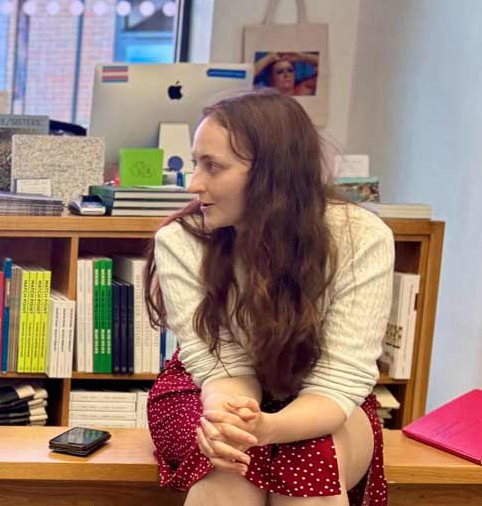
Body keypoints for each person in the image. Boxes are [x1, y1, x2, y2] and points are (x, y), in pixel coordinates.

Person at [144, 90, 393, 506]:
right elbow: (219, 364)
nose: (194, 184)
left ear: (272, 175)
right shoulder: (181, 242)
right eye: (195, 163)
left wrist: (269, 428)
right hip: (210, 391)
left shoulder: (362, 238)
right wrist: (235, 421)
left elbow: (338, 381)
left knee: (310, 475)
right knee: (226, 469)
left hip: (321, 400)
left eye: (213, 167)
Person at [254, 52, 319, 96]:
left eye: (290, 70)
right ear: (271, 79)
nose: (286, 75)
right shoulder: (264, 94)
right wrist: (269, 58)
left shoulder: (303, 90)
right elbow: (247, 76)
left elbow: (326, 67)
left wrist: (302, 56)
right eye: (280, 72)